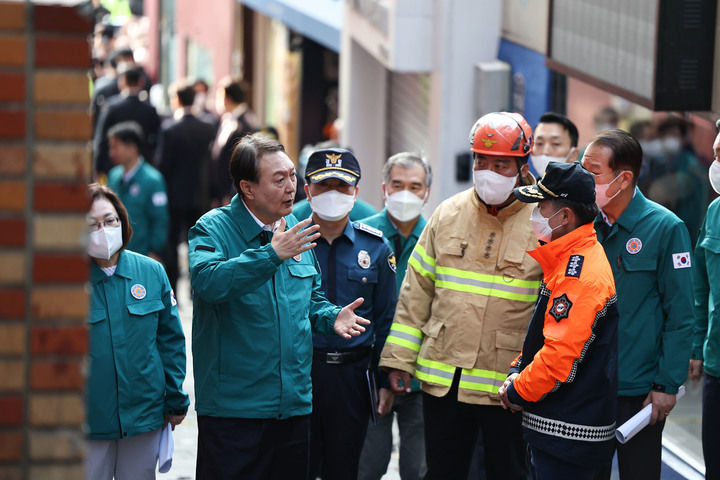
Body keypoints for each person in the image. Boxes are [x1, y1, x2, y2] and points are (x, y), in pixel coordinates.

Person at [188, 133, 372, 479]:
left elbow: (310, 298)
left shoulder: (294, 233)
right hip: (235, 411)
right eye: (279, 179)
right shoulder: (213, 229)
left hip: (293, 408)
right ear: (248, 188)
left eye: (292, 175)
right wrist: (271, 254)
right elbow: (209, 282)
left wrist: (331, 315)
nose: (292, 187)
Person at [380, 112, 543, 480]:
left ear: (522, 166)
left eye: (500, 164)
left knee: (509, 473)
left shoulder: (543, 221)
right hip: (444, 380)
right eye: (481, 161)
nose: (487, 171)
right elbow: (415, 292)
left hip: (508, 387)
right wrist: (399, 360)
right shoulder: (447, 213)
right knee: (442, 471)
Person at [581, 129, 694, 480]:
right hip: (586, 386)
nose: (584, 179)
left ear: (624, 178)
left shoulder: (665, 228)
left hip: (639, 392)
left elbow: (681, 315)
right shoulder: (585, 225)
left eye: (593, 172)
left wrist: (665, 385)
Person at [498, 162, 619, 479]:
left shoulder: (578, 275)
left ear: (565, 216)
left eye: (541, 206)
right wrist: (518, 368)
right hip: (561, 433)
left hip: (569, 439)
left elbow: (558, 358)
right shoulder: (567, 258)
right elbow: (546, 335)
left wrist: (516, 391)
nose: (535, 214)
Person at [302, 148, 397, 480]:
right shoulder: (289, 244)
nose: (333, 194)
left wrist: (384, 380)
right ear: (307, 191)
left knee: (345, 468)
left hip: (353, 377)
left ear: (356, 192)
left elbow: (386, 319)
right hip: (302, 372)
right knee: (298, 464)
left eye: (342, 187)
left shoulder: (375, 248)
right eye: (324, 185)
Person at [85, 184, 189, 480]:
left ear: (122, 221)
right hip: (89, 420)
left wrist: (175, 396)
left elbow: (170, 340)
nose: (103, 230)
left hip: (144, 414)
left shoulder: (151, 272)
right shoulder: (66, 283)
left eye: (109, 221)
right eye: (91, 224)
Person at [358, 152, 432, 480]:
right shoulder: (361, 236)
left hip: (421, 378)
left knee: (418, 468)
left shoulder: (438, 238)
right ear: (384, 188)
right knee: (367, 464)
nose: (406, 193)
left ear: (427, 191)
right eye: (398, 184)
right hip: (372, 375)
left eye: (415, 186)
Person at [155, 79, 216, 294]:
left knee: (171, 243)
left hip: (173, 196)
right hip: (200, 195)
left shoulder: (169, 129)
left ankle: (171, 289)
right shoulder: (207, 128)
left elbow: (162, 166)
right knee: (198, 243)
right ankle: (195, 287)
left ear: (177, 100)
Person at [688, 120, 720, 480]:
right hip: (717, 365)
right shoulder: (716, 213)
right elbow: (700, 287)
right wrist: (697, 347)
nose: (716, 164)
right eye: (715, 155)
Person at [106, 121, 168, 260]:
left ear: (132, 148)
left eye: (116, 147)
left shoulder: (153, 180)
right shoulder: (114, 176)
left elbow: (160, 220)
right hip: (115, 256)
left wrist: (155, 251)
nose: (111, 153)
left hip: (141, 256)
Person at [646, 115, 708, 245]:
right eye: (665, 135)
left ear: (683, 137)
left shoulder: (690, 164)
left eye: (674, 135)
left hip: (686, 231)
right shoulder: (663, 162)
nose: (669, 139)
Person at [94, 64, 160, 180]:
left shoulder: (111, 107)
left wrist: (98, 168)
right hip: (142, 166)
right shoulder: (150, 110)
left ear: (122, 82)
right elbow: (156, 141)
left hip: (113, 164)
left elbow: (101, 140)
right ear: (141, 82)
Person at [209, 76, 259, 208]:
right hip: (220, 193)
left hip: (233, 194)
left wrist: (232, 193)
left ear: (228, 98)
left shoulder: (246, 123)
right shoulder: (226, 120)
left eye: (219, 96)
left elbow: (244, 163)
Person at [528, 112, 580, 178]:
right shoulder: (525, 187)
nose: (546, 151)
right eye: (539, 143)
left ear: (573, 154)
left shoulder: (585, 187)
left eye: (556, 143)